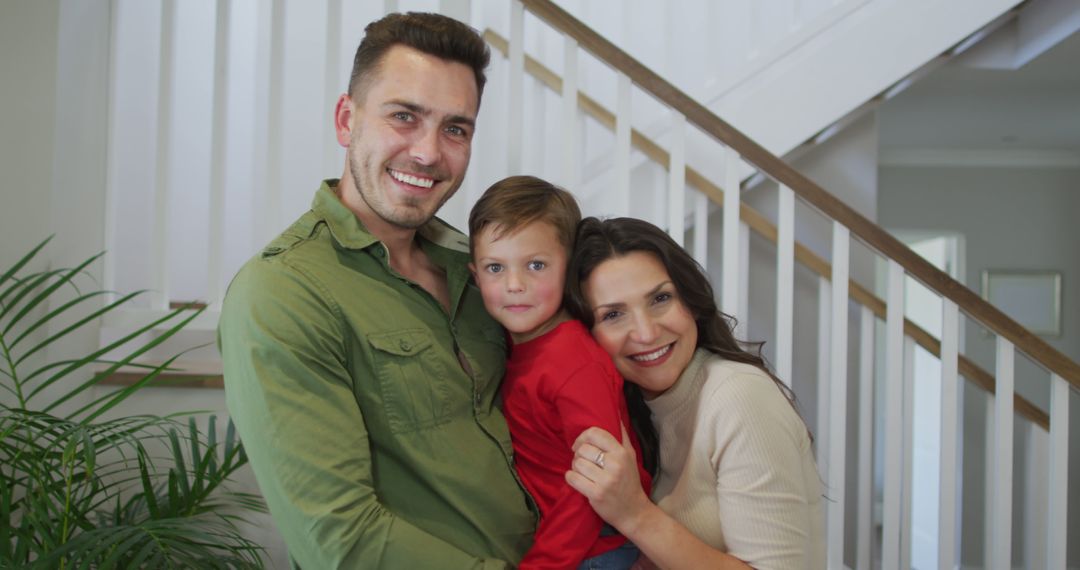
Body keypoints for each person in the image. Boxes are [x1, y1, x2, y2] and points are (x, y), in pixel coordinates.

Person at [217, 13, 537, 569]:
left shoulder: (481, 268)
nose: (429, 152)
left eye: (455, 129)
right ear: (347, 120)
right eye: (404, 116)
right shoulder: (282, 293)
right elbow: (341, 542)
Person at [563, 217, 825, 570]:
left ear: (691, 300)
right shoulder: (634, 408)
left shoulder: (739, 397)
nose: (645, 332)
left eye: (660, 298)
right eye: (613, 315)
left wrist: (634, 513)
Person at [467, 176, 651, 570]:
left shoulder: (574, 362)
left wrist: (543, 565)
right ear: (475, 275)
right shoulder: (519, 344)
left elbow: (596, 486)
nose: (515, 285)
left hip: (594, 550)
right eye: (495, 267)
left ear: (568, 269)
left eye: (536, 265)